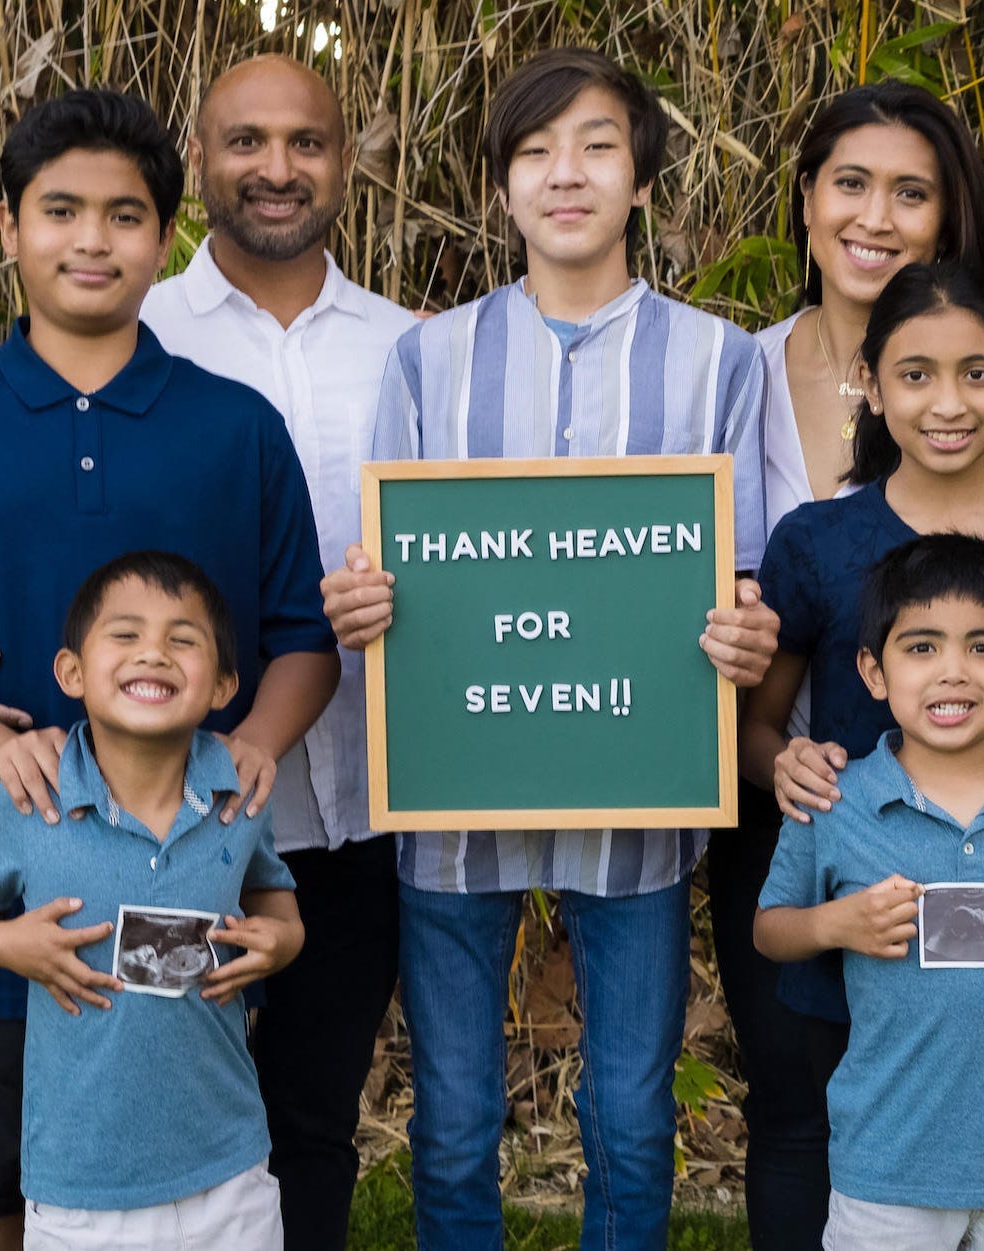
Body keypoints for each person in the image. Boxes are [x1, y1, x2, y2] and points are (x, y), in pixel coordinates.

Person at [0, 89, 337, 1251]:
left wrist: (256, 742)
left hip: (173, 879)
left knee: (166, 1175)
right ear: (8, 229)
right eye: (60, 211)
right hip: (1, 872)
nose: (91, 239)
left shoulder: (233, 427)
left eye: (124, 214)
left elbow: (304, 639)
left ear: (165, 238)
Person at [0, 56, 415, 1251]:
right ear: (198, 172)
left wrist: (253, 738)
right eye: (244, 139)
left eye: (308, 140)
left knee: (295, 1122)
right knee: (28, 1136)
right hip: (70, 821)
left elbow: (312, 618)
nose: (277, 166)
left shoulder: (402, 353)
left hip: (300, 812)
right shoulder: (13, 377)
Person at [320, 47, 779, 1251]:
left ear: (641, 179)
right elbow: (393, 564)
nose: (563, 176)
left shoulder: (721, 360)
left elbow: (747, 567)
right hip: (456, 789)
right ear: (502, 186)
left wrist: (744, 626)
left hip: (639, 794)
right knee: (456, 1116)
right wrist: (366, 607)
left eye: (594, 147)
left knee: (630, 1111)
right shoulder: (429, 358)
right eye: (533, 152)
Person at [710, 81, 984, 1248]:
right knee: (801, 1108)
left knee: (962, 1088)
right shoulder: (737, 387)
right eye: (852, 183)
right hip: (821, 838)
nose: (877, 213)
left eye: (912, 191)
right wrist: (774, 765)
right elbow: (761, 698)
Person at [0, 552, 304, 1250]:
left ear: (225, 683)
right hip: (81, 1187)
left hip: (228, 1171)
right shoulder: (30, 799)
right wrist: (7, 944)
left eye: (182, 639)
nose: (154, 654)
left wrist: (280, 942)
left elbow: (278, 902)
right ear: (72, 671)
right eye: (126, 634)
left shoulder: (238, 798)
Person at [754, 534, 984, 1251]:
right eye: (921, 648)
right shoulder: (834, 799)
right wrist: (838, 923)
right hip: (887, 1164)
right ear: (873, 671)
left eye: (983, 648)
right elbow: (769, 927)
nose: (953, 673)